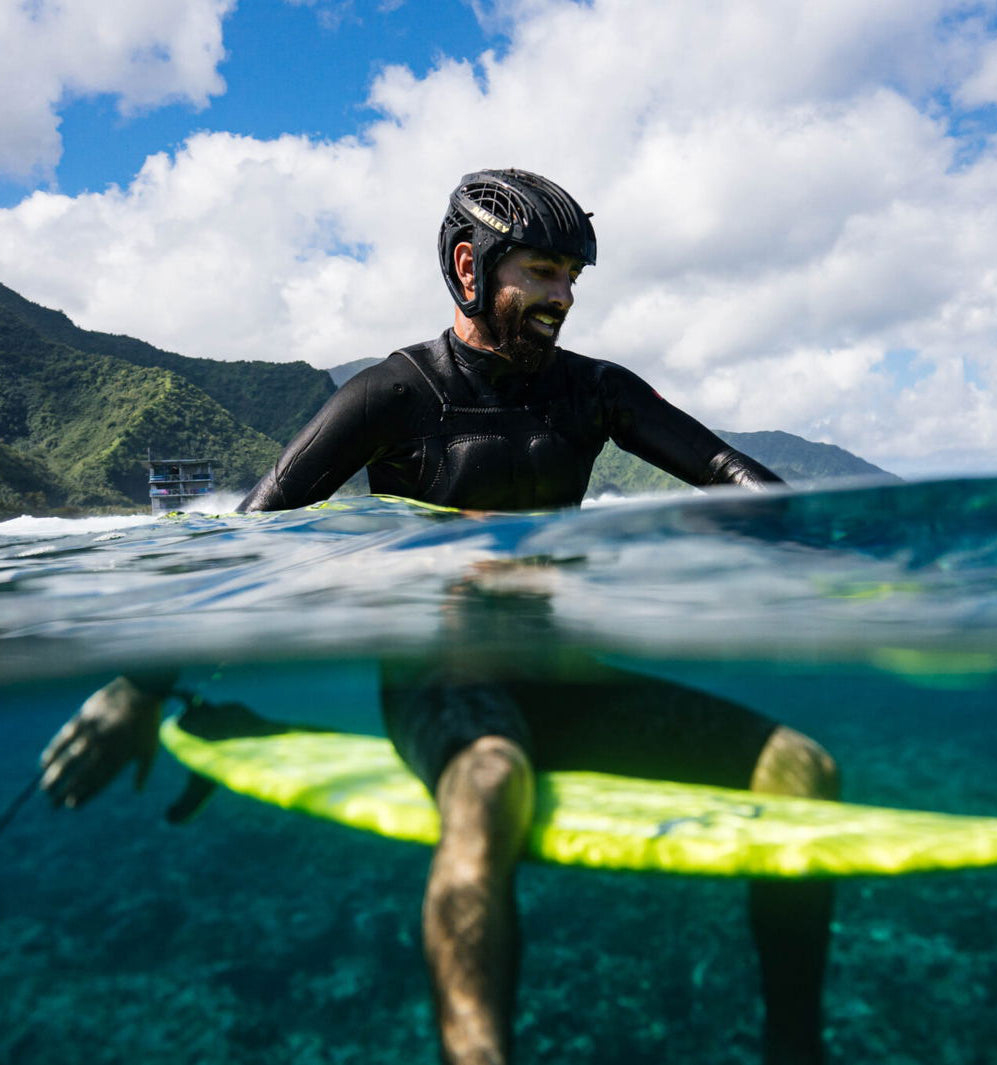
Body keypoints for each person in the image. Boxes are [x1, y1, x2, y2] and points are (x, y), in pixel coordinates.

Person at [41, 169, 839, 1065]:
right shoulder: (392, 395)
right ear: (470, 265)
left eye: (572, 278)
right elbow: (249, 541)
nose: (563, 297)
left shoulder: (597, 392)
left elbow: (727, 470)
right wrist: (136, 687)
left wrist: (840, 548)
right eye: (542, 272)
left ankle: (793, 1045)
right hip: (441, 683)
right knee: (492, 781)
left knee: (799, 768)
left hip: (561, 680)